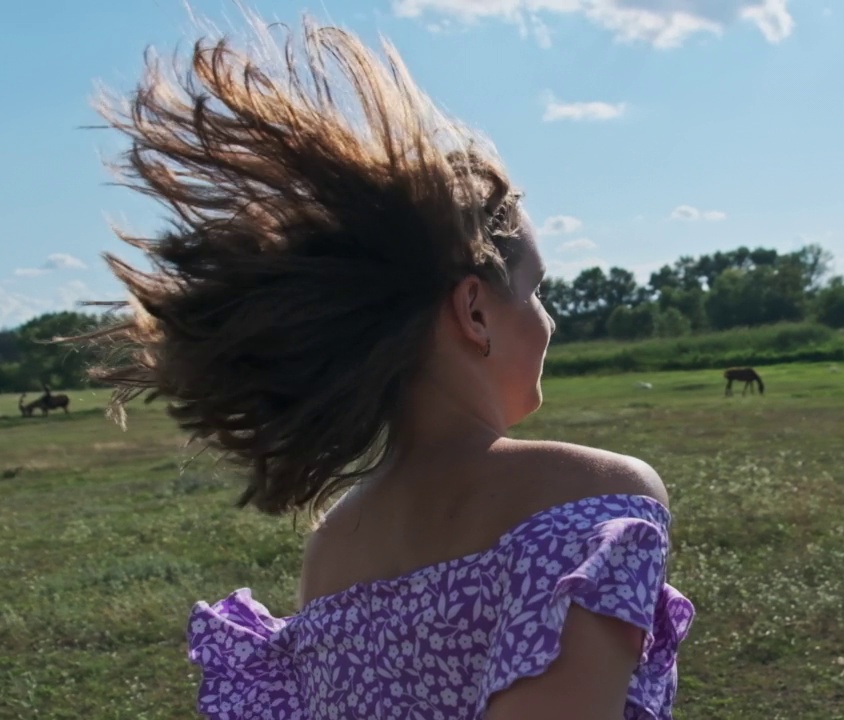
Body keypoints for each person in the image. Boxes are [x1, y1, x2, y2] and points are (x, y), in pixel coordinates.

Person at [76, 15, 694, 720]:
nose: (548, 320)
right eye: (535, 291)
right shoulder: (589, 501)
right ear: (474, 312)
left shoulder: (334, 549)